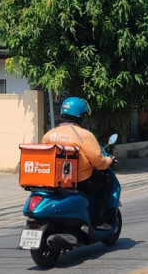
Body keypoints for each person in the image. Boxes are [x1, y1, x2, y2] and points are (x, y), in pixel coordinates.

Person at [41, 97, 114, 227]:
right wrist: (108, 160)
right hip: (79, 180)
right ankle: (98, 221)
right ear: (80, 116)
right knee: (106, 182)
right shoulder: (84, 135)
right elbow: (98, 162)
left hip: (52, 180)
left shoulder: (49, 134)